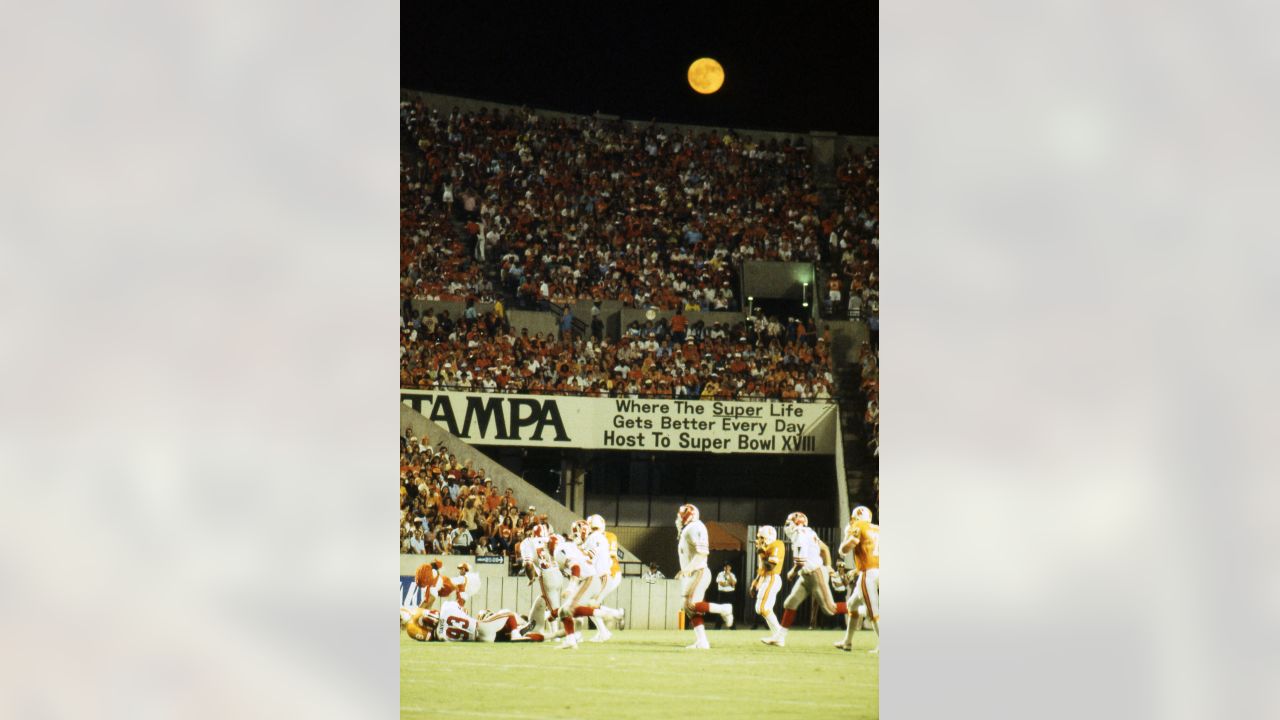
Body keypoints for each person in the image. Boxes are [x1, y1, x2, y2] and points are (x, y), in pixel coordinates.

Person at [761, 512, 849, 648]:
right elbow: (825, 549)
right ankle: (779, 638)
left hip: (814, 573)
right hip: (806, 575)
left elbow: (801, 561)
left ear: (796, 523)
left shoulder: (799, 535)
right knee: (790, 603)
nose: (786, 526)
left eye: (788, 523)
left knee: (830, 609)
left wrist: (792, 572)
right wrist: (829, 567)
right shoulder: (809, 532)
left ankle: (860, 608)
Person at [548, 530, 622, 650]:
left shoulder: (559, 550)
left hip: (588, 579)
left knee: (568, 609)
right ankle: (570, 640)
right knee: (565, 611)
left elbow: (576, 567)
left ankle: (607, 614)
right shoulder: (571, 546)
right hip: (591, 578)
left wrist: (571, 587)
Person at [674, 504, 733, 649]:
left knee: (690, 604)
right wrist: (685, 571)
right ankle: (702, 641)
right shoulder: (688, 529)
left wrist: (688, 569)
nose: (677, 518)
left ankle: (724, 608)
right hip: (693, 572)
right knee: (689, 608)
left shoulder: (695, 527)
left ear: (688, 515)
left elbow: (702, 553)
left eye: (680, 515)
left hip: (699, 571)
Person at [837, 506, 880, 653]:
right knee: (852, 604)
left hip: (868, 574)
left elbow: (846, 548)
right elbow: (873, 554)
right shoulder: (877, 528)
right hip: (876, 570)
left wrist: (844, 542)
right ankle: (847, 642)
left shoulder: (857, 525)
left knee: (872, 611)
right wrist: (856, 570)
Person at [401, 599, 538, 642]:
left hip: (478, 639)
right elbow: (464, 611)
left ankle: (518, 631)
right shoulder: (447, 606)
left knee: (499, 633)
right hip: (480, 627)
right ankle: (516, 632)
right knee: (507, 613)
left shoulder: (440, 635)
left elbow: (429, 637)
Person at [517, 523, 559, 638]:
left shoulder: (528, 542)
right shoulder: (552, 538)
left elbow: (528, 564)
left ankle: (559, 634)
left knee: (554, 609)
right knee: (545, 603)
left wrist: (531, 577)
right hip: (558, 575)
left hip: (546, 576)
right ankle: (537, 625)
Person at [584, 514, 622, 641]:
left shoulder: (608, 537)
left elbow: (612, 557)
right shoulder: (593, 538)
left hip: (611, 574)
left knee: (590, 604)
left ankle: (609, 625)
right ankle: (611, 622)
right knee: (589, 604)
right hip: (603, 575)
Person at [750, 525, 786, 641]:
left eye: (761, 537)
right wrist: (755, 581)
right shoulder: (766, 548)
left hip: (772, 578)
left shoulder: (777, 544)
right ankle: (778, 637)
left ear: (768, 537)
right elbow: (762, 568)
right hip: (767, 578)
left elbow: (770, 566)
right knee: (761, 608)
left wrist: (761, 552)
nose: (759, 540)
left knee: (762, 608)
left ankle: (779, 636)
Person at [714, 563, 737, 629]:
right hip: (722, 594)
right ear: (724, 568)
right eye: (726, 567)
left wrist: (729, 576)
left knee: (731, 610)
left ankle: (732, 627)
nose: (727, 568)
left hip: (730, 594)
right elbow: (722, 584)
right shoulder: (720, 574)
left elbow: (733, 584)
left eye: (729, 567)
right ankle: (717, 627)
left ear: (730, 568)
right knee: (720, 610)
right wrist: (729, 583)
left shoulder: (732, 575)